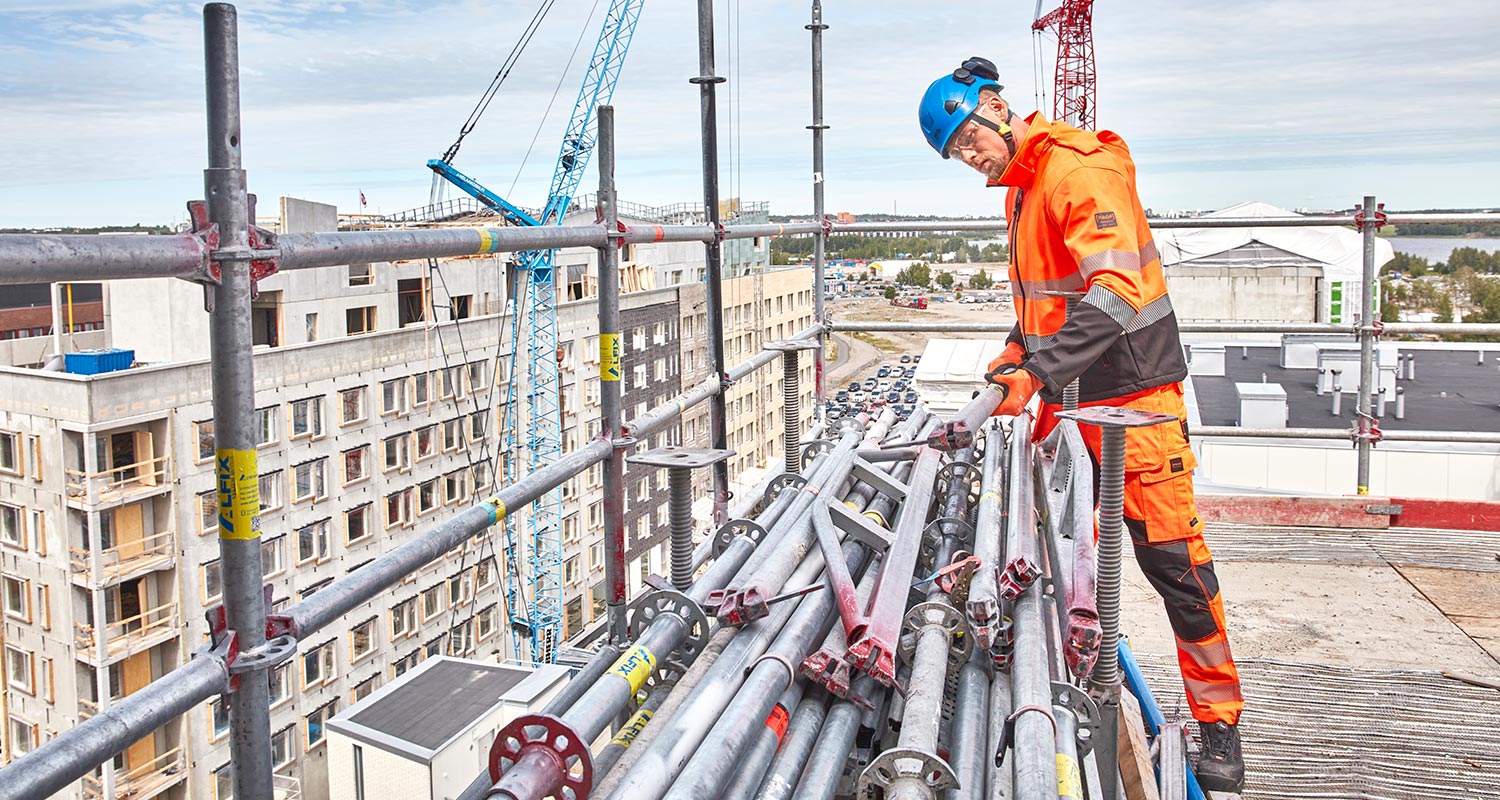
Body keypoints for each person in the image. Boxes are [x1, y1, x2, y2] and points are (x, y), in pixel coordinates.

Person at [918, 57, 1245, 793]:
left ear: (995, 107)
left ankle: (1220, 722)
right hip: (1072, 401)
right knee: (1061, 554)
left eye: (970, 140)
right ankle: (1084, 677)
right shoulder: (1024, 189)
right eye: (957, 154)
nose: (971, 159)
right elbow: (1048, 298)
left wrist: (1035, 374)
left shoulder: (1076, 170)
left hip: (1136, 404)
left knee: (1176, 568)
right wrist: (1017, 352)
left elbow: (1117, 293)